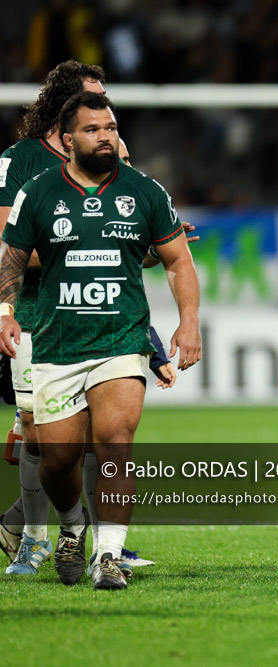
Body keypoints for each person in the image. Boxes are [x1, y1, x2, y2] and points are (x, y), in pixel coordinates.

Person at [0, 91, 201, 589]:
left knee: (115, 442)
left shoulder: (146, 191)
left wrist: (189, 320)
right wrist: (5, 310)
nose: (105, 136)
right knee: (58, 459)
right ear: (69, 140)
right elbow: (11, 254)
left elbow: (176, 259)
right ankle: (70, 527)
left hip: (120, 338)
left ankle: (106, 556)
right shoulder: (40, 191)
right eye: (93, 130)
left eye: (110, 127)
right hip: (56, 341)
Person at [0, 60, 106, 572]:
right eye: (94, 100)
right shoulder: (19, 160)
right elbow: (7, 244)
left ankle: (99, 541)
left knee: (99, 429)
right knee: (38, 428)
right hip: (38, 312)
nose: (105, 114)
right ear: (63, 108)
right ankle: (34, 536)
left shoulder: (109, 154)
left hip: (102, 307)